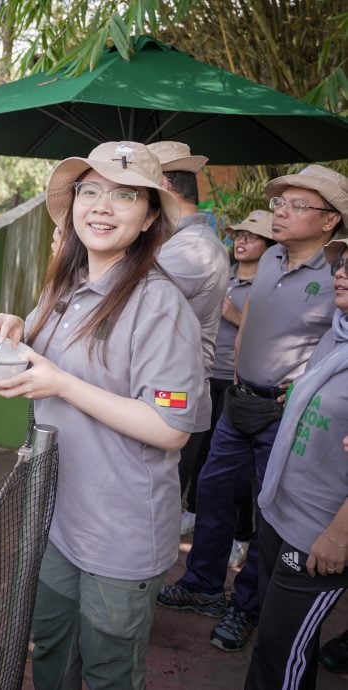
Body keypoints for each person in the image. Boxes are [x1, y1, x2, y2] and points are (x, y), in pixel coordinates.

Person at [0, 141, 203, 689]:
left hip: (120, 528)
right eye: (91, 191)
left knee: (108, 668)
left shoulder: (159, 304)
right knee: (51, 648)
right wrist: (13, 324)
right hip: (58, 512)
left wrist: (63, 385)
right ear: (74, 203)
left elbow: (170, 428)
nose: (102, 206)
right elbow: (36, 349)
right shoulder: (66, 283)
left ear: (150, 215)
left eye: (125, 195)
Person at [158, 164, 348, 652]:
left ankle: (247, 606)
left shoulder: (336, 274)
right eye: (280, 203)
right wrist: (241, 368)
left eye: (296, 206)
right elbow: (249, 322)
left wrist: (301, 389)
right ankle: (202, 585)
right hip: (239, 400)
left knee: (269, 514)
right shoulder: (269, 259)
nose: (280, 212)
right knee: (212, 491)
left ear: (329, 221)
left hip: (284, 414)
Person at [244, 236, 348, 689]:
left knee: (281, 655)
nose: (340, 273)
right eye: (341, 264)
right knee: (275, 642)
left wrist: (339, 535)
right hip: (282, 511)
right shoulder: (337, 332)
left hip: (320, 532)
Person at [146, 141, 230, 537]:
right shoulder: (173, 242)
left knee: (147, 512)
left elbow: (120, 295)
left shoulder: (192, 249)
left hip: (168, 403)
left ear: (161, 185)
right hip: (161, 398)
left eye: (131, 188)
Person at [196, 210, 276, 567]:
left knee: (239, 473)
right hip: (207, 373)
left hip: (241, 383)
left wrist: (234, 316)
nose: (240, 241)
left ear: (269, 246)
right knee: (203, 458)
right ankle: (198, 521)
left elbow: (269, 335)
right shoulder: (222, 275)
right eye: (238, 235)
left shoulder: (270, 283)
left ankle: (241, 535)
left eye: (251, 236)